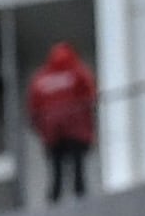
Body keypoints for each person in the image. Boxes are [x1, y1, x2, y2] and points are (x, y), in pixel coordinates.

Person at [25, 41, 97, 198]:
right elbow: (90, 98)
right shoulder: (78, 71)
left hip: (52, 133)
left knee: (56, 170)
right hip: (76, 130)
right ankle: (81, 196)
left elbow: (33, 109)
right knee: (78, 167)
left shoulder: (41, 78)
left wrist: (41, 131)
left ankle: (54, 199)